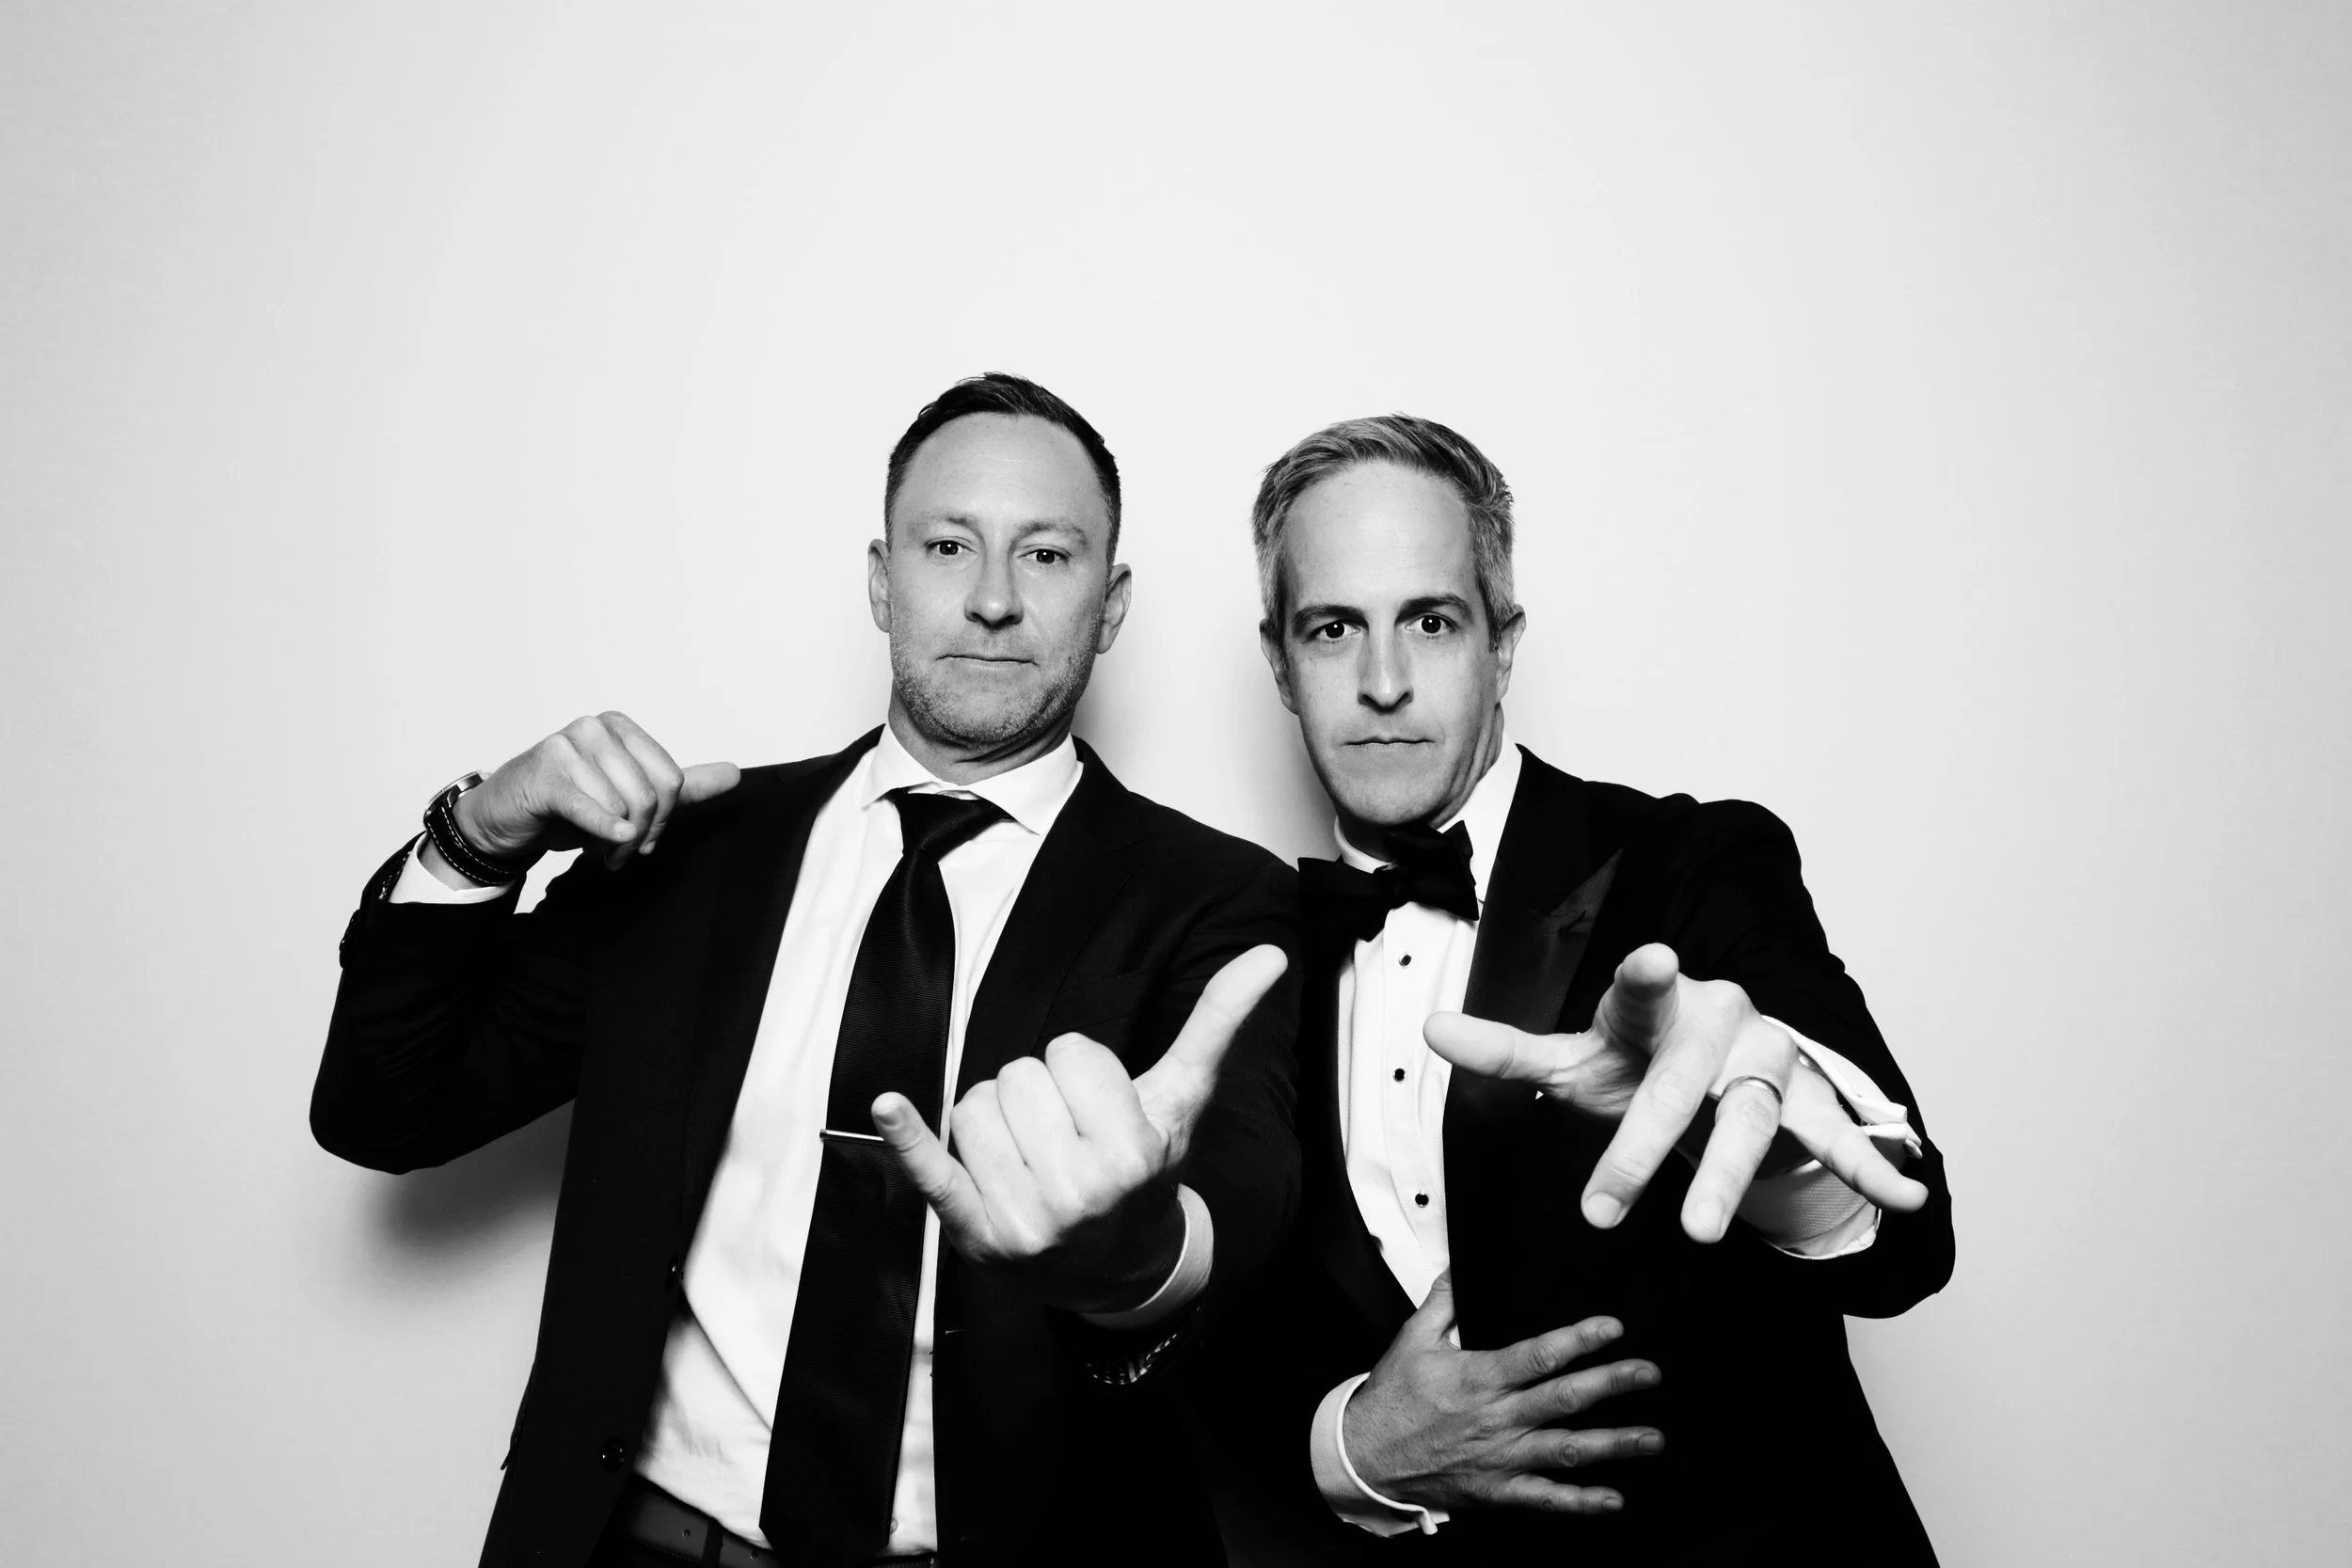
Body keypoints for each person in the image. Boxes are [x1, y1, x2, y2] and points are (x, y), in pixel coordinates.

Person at [314, 374, 1332, 1568]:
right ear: (879, 577)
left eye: (1047, 556)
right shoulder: (699, 849)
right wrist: (474, 836)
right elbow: (386, 1106)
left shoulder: (1215, 895)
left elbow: (1240, 1197)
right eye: (948, 544)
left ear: (1108, 607)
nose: (995, 598)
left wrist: (1134, 1258)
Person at [1195, 414, 1955, 1564]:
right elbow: (1217, 1347)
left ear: (1503, 643)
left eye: (1432, 621)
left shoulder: (1689, 864)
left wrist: (1775, 1136)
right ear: (1279, 663)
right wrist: (1349, 1448)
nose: (1384, 681)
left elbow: (1908, 1246)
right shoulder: (1238, 951)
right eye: (1334, 626)